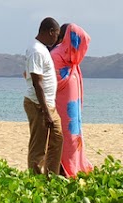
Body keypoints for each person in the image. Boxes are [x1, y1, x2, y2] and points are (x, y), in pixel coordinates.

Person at [50, 23, 94, 177]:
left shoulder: (73, 61)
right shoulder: (57, 55)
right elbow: (51, 81)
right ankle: (64, 169)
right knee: (65, 138)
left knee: (74, 136)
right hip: (61, 106)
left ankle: (75, 166)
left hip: (73, 111)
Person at [24, 17, 63, 175]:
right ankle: (35, 181)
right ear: (51, 32)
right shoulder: (36, 50)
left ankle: (50, 177)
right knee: (39, 147)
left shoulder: (41, 49)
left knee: (57, 139)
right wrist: (46, 112)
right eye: (56, 35)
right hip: (39, 105)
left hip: (47, 104)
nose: (56, 39)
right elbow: (37, 82)